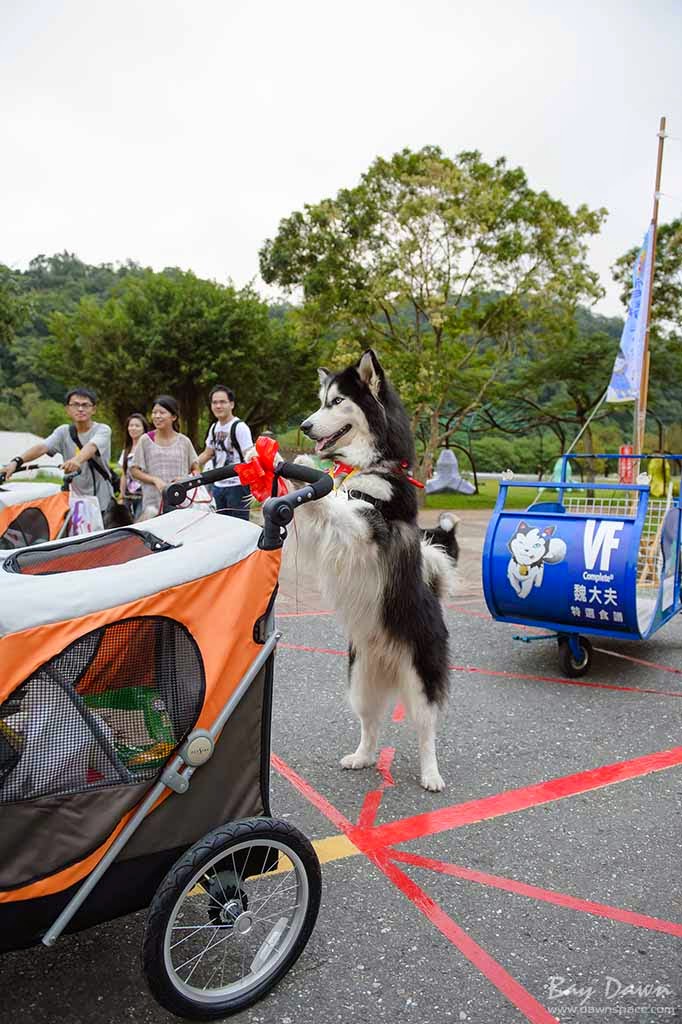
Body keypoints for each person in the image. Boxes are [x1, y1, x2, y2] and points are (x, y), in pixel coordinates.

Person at [2, 386, 120, 525]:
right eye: (75, 405)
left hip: (102, 501)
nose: (80, 409)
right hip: (76, 502)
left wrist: (76, 460)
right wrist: (16, 462)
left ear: (93, 409)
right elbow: (42, 447)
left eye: (85, 405)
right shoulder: (63, 432)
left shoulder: (102, 430)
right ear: (68, 409)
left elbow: (91, 446)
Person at [130, 396, 200, 520]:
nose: (157, 416)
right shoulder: (146, 440)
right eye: (154, 412)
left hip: (181, 504)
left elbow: (196, 470)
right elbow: (134, 470)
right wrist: (154, 480)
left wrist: (186, 479)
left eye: (162, 413)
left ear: (173, 417)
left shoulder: (184, 441)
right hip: (153, 506)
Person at [197, 385, 255, 520]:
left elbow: (249, 456)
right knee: (221, 526)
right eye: (215, 402)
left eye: (222, 402)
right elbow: (208, 453)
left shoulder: (240, 427)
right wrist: (190, 465)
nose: (218, 406)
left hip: (238, 486)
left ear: (232, 404)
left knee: (239, 526)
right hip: (218, 486)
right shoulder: (214, 427)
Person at [119, 412, 150, 521]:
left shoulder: (148, 449)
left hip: (144, 496)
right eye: (131, 425)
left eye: (137, 426)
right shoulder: (126, 451)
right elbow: (124, 474)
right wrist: (121, 496)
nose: (133, 428)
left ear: (143, 429)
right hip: (128, 496)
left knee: (140, 523)